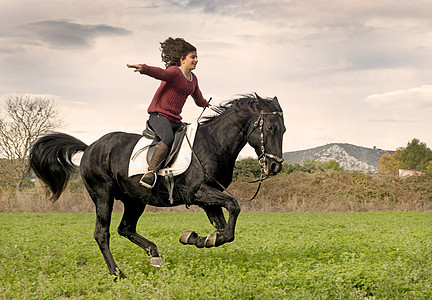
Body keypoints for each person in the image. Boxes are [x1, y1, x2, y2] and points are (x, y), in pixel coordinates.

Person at [127, 37, 210, 189]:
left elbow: (198, 99)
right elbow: (159, 73)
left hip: (175, 120)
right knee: (167, 137)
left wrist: (206, 104)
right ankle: (150, 173)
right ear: (182, 59)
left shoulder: (193, 79)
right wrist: (144, 68)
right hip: (158, 116)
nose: (196, 60)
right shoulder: (174, 72)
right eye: (193, 57)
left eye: (197, 57)